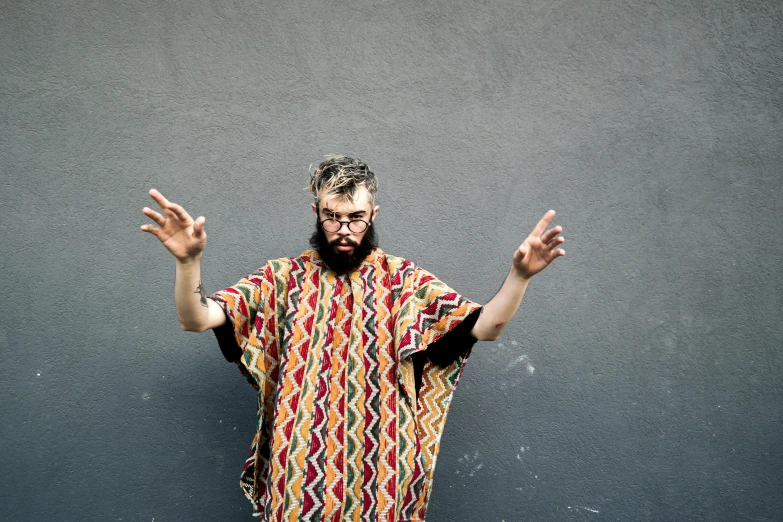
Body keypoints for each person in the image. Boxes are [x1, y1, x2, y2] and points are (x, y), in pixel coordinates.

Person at [140, 155, 565, 521]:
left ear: (373, 215)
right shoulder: (281, 279)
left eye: (356, 218)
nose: (344, 229)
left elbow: (485, 327)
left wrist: (520, 276)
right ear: (316, 212)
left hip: (382, 474)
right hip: (299, 476)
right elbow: (196, 319)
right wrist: (189, 263)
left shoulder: (404, 283)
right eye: (332, 217)